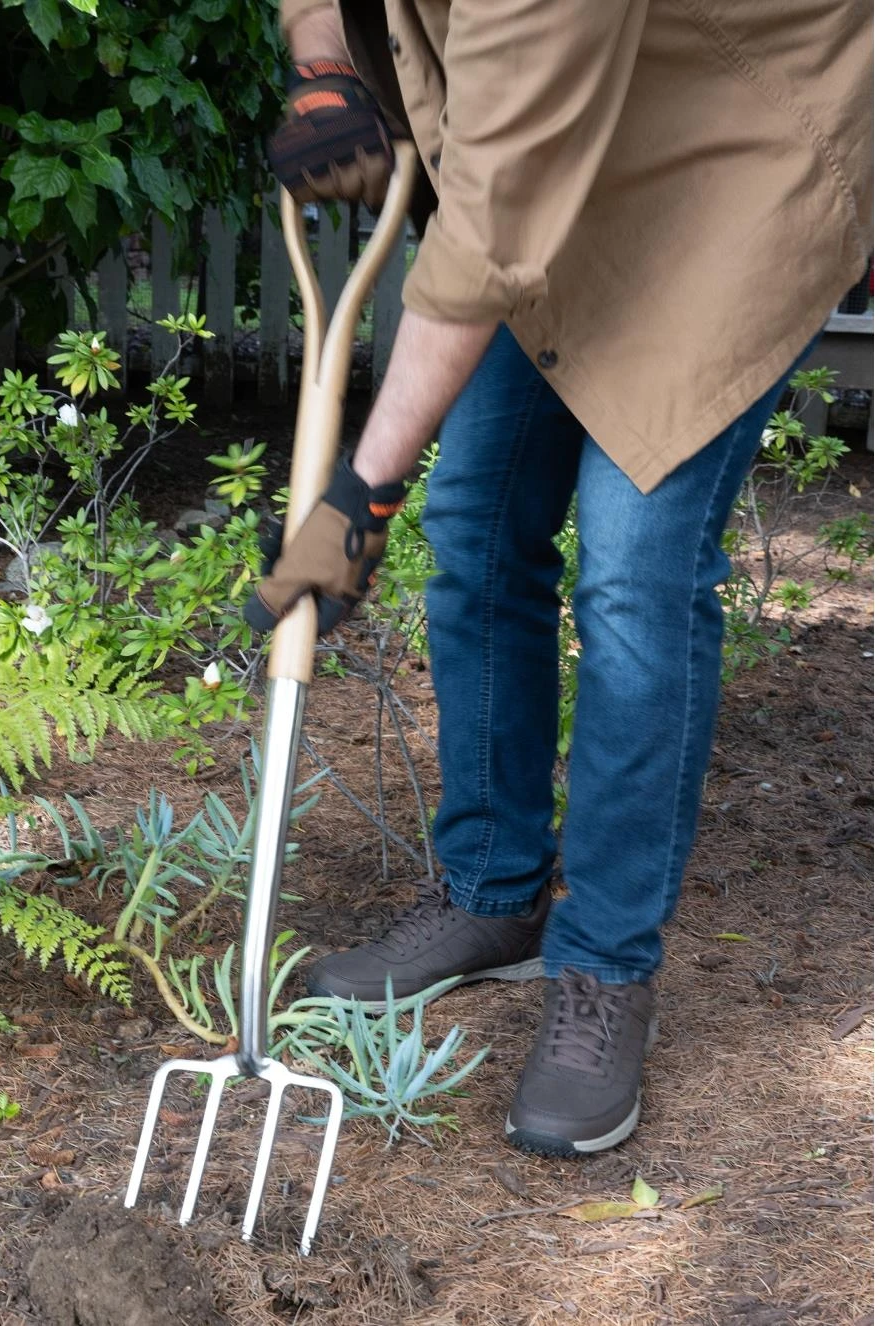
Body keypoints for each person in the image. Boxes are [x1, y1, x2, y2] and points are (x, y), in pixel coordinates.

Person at [246, 0, 872, 1157]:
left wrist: (362, 491)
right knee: (479, 515)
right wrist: (323, 60)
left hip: (737, 140)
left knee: (634, 565)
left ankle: (602, 966)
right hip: (554, 140)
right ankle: (490, 892)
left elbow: (489, 213)